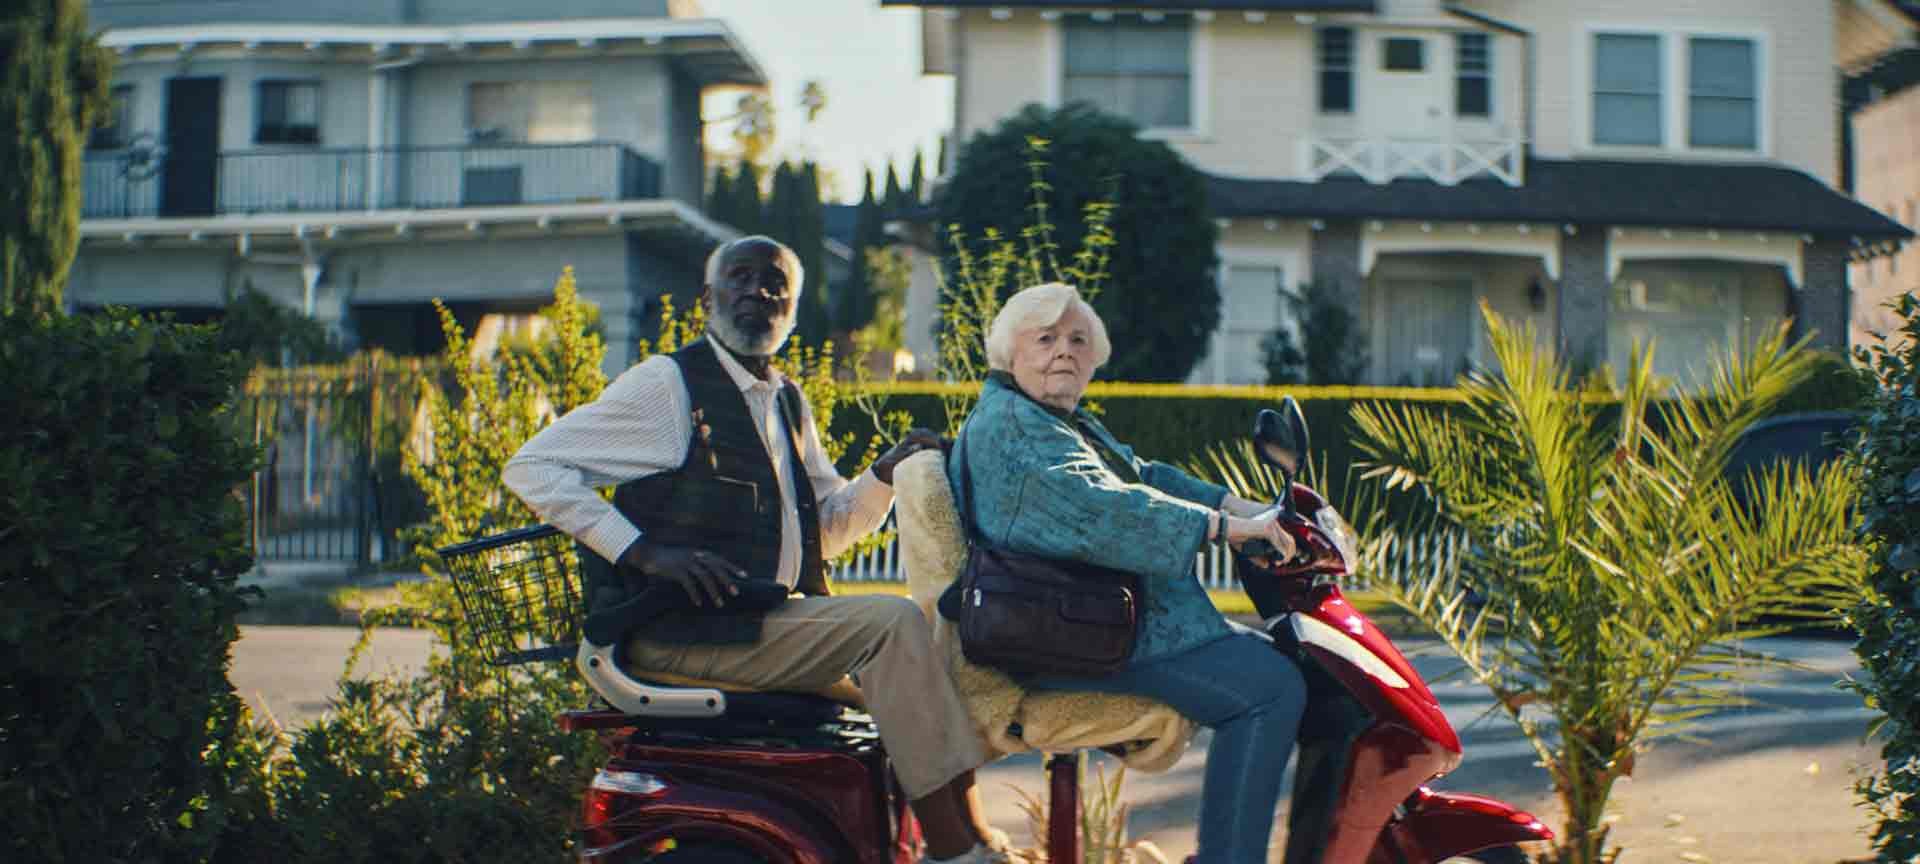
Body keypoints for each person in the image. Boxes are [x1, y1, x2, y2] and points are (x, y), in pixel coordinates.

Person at [504, 236, 1002, 864]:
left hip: (752, 623)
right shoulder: (669, 385)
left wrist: (883, 474)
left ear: (792, 309)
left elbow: (824, 531)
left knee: (928, 637)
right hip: (683, 630)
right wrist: (642, 552)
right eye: (740, 277)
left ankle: (976, 837)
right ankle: (954, 852)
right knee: (892, 623)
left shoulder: (785, 400)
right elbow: (533, 466)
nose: (757, 292)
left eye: (775, 284)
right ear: (707, 299)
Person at [946, 281, 1309, 864]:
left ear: (1093, 360)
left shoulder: (1051, 419)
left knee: (1294, 664)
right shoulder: (1012, 425)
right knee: (1270, 689)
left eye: (1077, 340)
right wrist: (1223, 528)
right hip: (1063, 635)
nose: (1063, 352)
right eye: (1045, 339)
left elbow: (1141, 476)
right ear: (1010, 354)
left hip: (1093, 619)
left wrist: (1242, 508)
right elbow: (1097, 506)